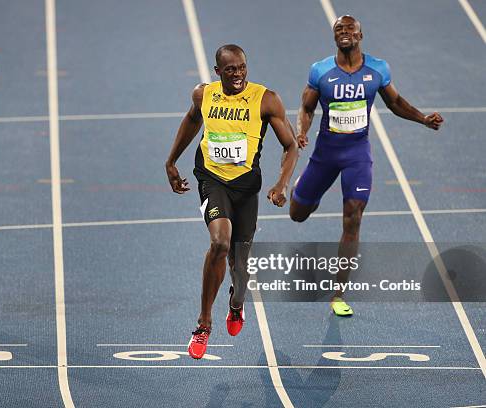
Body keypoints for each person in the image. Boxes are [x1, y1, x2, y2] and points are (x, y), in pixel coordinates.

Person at [289, 15, 443, 316]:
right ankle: (305, 190)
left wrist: (423, 119)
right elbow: (306, 107)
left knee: (353, 216)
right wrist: (302, 131)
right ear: (334, 37)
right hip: (325, 155)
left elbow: (396, 104)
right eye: (339, 30)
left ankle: (338, 292)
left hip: (357, 153)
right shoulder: (320, 71)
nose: (344, 32)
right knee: (297, 214)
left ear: (360, 35)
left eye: (349, 29)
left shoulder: (378, 69)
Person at [165, 44, 298, 359]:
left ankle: (236, 304)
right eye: (230, 70)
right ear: (217, 72)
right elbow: (191, 120)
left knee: (240, 268)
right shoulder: (204, 95)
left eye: (241, 68)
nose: (237, 74)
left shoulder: (266, 99)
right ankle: (203, 324)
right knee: (220, 243)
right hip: (212, 179)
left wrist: (281, 184)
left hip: (246, 187)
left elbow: (291, 145)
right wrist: (171, 162)